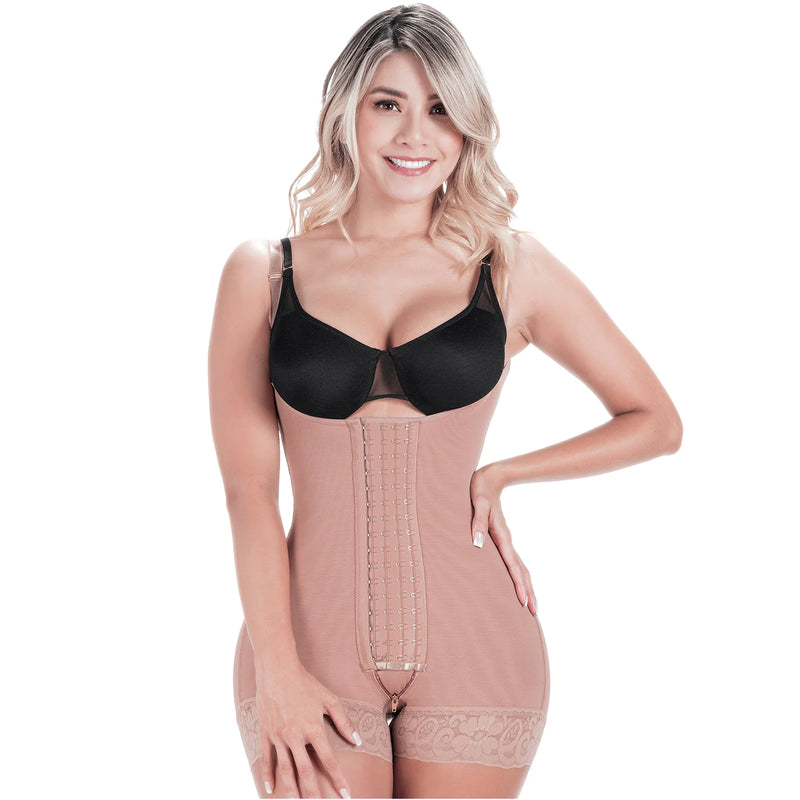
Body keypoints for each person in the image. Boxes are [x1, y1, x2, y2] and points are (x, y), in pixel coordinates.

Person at [208, 4, 682, 798]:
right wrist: (278, 668)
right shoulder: (264, 273)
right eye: (387, 103)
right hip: (304, 640)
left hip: (478, 638)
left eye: (440, 110)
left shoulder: (510, 267)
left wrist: (503, 474)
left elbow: (656, 421)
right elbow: (247, 493)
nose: (414, 135)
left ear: (467, 129)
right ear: (346, 112)